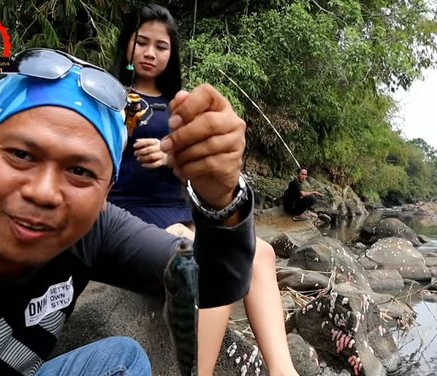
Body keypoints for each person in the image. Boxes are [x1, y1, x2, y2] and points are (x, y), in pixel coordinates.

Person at [0, 48, 256, 375]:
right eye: (21, 155)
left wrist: (220, 199)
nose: (43, 192)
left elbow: (213, 282)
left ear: (106, 191)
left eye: (80, 172)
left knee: (122, 357)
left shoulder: (94, 230)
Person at [108, 5, 298, 376]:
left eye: (160, 46)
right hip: (126, 210)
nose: (150, 53)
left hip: (178, 211)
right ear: (127, 44)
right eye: (141, 42)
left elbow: (204, 171)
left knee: (261, 253)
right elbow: (86, 162)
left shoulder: (182, 103)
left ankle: (283, 370)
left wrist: (171, 155)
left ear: (172, 53)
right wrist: (122, 133)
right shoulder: (108, 95)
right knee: (206, 258)